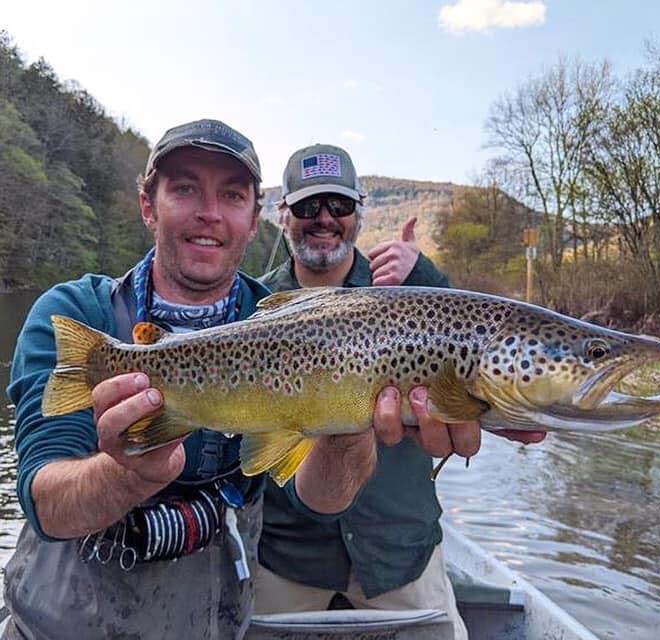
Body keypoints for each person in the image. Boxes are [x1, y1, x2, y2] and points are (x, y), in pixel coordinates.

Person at [1, 121, 473, 640]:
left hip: (214, 623)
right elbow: (45, 502)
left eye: (231, 195)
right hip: (62, 624)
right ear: (147, 206)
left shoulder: (279, 319)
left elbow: (320, 498)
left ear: (253, 221)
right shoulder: (78, 313)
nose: (209, 212)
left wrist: (346, 419)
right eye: (185, 188)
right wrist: (130, 474)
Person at [255, 144, 545, 640]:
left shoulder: (411, 289)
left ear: (359, 215)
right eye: (307, 207)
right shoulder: (254, 307)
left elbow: (526, 423)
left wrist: (429, 276)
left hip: (401, 550)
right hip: (287, 554)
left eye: (339, 206)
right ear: (283, 216)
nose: (324, 219)